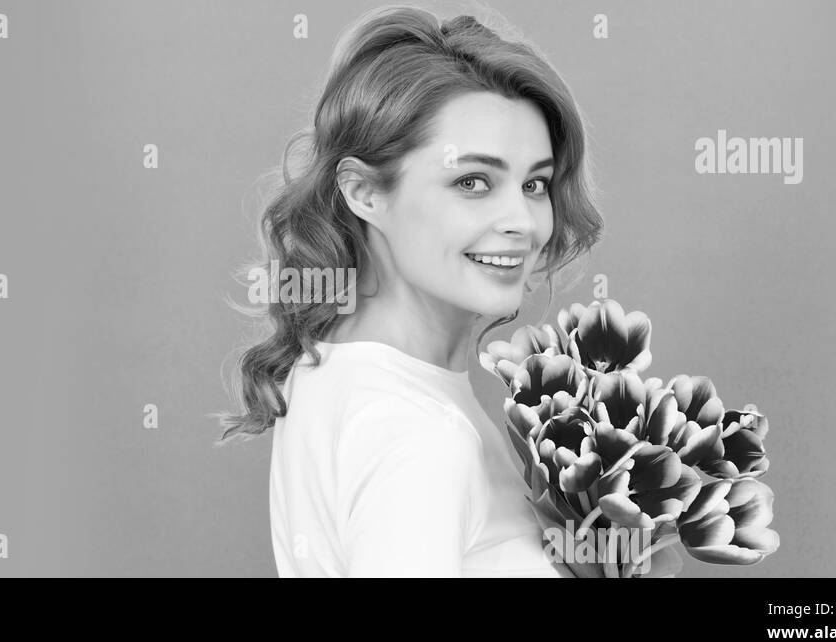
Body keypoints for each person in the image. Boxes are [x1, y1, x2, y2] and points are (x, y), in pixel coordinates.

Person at [219, 5, 606, 576]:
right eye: (472, 181)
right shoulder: (417, 433)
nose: (522, 221)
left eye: (535, 184)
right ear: (365, 193)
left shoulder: (339, 371)